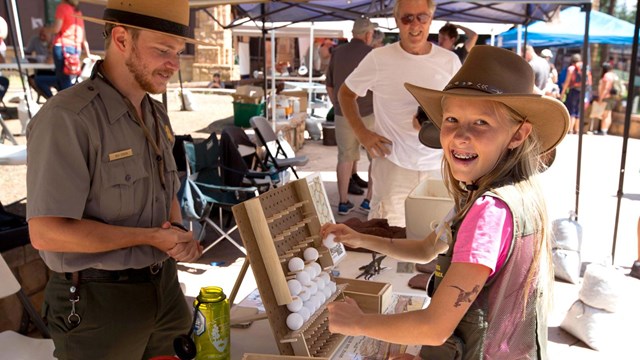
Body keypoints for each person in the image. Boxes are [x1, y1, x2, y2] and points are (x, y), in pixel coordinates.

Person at [323, 45, 568, 359]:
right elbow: (427, 248)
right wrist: (361, 238)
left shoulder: (488, 213)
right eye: (452, 119)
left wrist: (358, 323)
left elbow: (435, 327)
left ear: (518, 135)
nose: (461, 136)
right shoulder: (510, 193)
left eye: (481, 122)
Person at [26, 0, 204, 358]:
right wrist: (151, 237)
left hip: (164, 291)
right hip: (98, 301)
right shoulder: (69, 118)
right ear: (122, 39)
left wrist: (177, 236)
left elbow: (164, 190)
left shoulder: (154, 113)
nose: (173, 64)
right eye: (162, 50)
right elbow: (46, 232)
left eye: (178, 52)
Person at [338, 0, 461, 227]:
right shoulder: (379, 58)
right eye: (407, 18)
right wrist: (362, 133)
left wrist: (433, 124)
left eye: (422, 17)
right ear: (397, 22)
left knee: (435, 237)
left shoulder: (450, 62)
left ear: (431, 19)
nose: (415, 24)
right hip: (393, 164)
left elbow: (460, 108)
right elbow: (346, 94)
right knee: (387, 235)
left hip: (438, 165)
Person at [326, 18, 377, 215]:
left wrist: (337, 104)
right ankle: (368, 200)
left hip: (342, 113)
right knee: (375, 158)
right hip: (368, 113)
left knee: (344, 157)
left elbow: (329, 85)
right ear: (368, 34)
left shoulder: (337, 53)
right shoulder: (372, 54)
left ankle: (343, 202)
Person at [51, 0, 93, 92]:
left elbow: (56, 29)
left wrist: (47, 29)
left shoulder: (62, 7)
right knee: (71, 78)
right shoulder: (78, 12)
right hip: (76, 49)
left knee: (63, 79)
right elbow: (83, 36)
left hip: (62, 48)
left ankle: (64, 103)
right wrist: (88, 53)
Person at [561, 53, 592, 134]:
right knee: (579, 111)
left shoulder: (571, 68)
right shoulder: (586, 67)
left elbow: (567, 82)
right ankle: (577, 129)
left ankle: (570, 129)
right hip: (583, 92)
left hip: (573, 91)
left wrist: (563, 92)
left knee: (571, 110)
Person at [595, 62, 619, 135]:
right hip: (613, 97)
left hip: (606, 97)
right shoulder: (614, 75)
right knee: (608, 114)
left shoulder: (606, 76)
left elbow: (605, 88)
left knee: (605, 115)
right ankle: (605, 130)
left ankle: (603, 130)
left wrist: (600, 98)